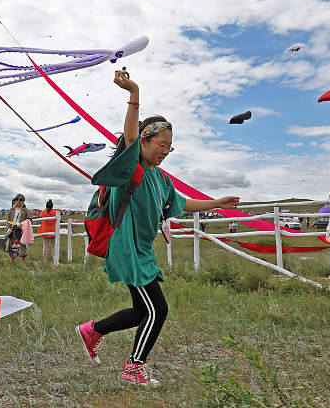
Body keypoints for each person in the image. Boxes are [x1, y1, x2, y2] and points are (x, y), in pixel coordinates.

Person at [76, 70, 240, 386]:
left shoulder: (161, 179)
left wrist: (217, 203)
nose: (165, 150)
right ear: (146, 140)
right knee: (157, 310)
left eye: (170, 146)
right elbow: (129, 137)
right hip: (126, 250)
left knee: (142, 311)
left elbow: (183, 204)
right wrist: (134, 93)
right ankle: (134, 366)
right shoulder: (131, 168)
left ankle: (93, 330)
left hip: (142, 252)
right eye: (161, 144)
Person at [6, 194, 30, 266]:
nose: (18, 201)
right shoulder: (11, 210)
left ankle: (24, 266)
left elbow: (29, 219)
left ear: (23, 201)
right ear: (15, 200)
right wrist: (8, 229)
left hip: (21, 231)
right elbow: (8, 220)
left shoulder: (26, 210)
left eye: (20, 200)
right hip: (12, 230)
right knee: (13, 248)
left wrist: (22, 224)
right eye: (17, 199)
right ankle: (12, 265)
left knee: (22, 248)